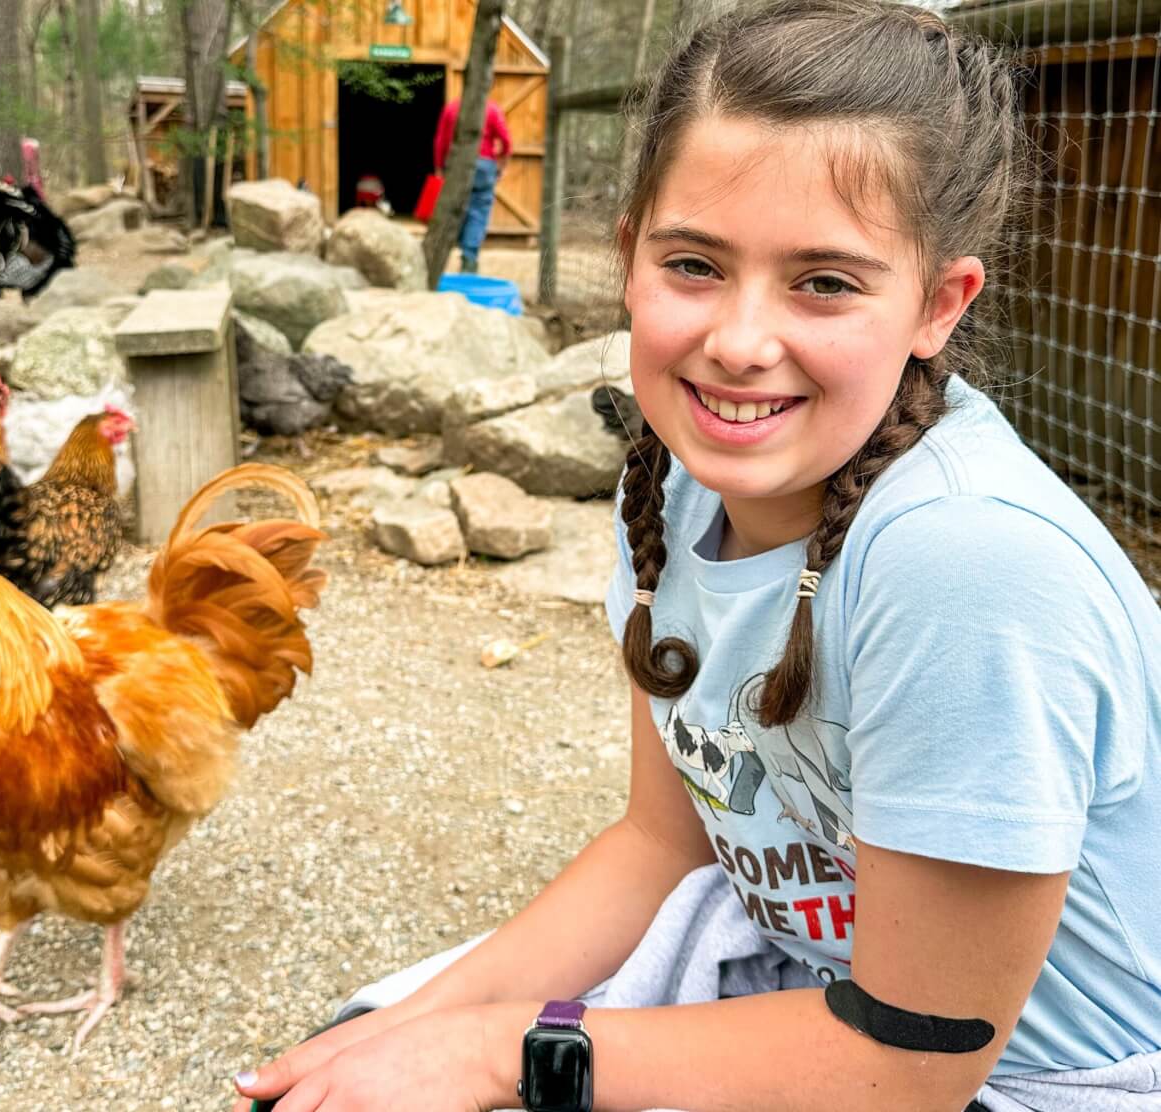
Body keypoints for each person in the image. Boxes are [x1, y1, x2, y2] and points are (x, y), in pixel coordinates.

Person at [233, 1, 1161, 1108]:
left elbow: (911, 1060)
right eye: (693, 264)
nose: (736, 341)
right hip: (808, 974)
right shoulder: (670, 486)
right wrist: (408, 1027)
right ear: (627, 255)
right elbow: (659, 843)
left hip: (1029, 1075)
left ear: (936, 305)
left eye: (823, 281)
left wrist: (496, 1050)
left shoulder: (965, 567)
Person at [433, 95, 512, 274]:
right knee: (478, 212)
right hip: (484, 166)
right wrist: (502, 164)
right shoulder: (491, 109)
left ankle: (442, 255)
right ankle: (469, 260)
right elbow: (506, 140)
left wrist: (439, 166)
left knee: (454, 209)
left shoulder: (452, 108)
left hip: (456, 164)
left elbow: (441, 141)